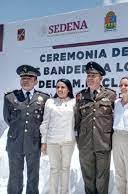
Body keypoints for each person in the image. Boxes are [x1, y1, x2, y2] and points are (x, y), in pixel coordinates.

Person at [3, 64, 49, 194]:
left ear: (35, 81)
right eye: (23, 77)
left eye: (29, 78)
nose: (25, 80)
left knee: (33, 176)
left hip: (34, 143)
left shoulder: (44, 98)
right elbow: (8, 119)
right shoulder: (10, 97)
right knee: (15, 176)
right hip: (15, 142)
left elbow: (44, 121)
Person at [74, 61, 116, 194]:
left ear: (101, 78)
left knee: (102, 178)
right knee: (88, 176)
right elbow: (77, 121)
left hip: (103, 142)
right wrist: (79, 140)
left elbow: (114, 119)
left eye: (93, 76)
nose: (90, 79)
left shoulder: (110, 95)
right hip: (85, 143)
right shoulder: (81, 96)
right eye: (88, 76)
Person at [40, 78, 75, 194]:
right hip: (52, 141)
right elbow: (45, 122)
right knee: (54, 169)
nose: (60, 89)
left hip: (68, 141)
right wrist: (43, 141)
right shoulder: (50, 102)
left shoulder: (74, 102)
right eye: (58, 87)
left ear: (68, 89)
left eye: (63, 87)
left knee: (65, 169)